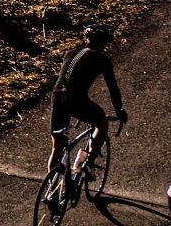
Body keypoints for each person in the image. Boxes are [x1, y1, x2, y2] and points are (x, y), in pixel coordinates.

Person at [49, 25, 127, 175]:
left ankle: (51, 191)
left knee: (57, 147)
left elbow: (69, 79)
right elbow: (113, 89)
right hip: (77, 99)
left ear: (86, 40)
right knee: (102, 123)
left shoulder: (70, 53)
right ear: (103, 44)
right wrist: (120, 111)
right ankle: (86, 163)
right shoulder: (102, 59)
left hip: (58, 97)